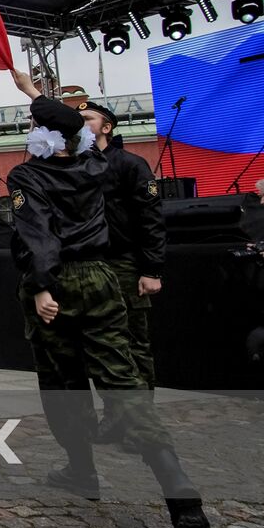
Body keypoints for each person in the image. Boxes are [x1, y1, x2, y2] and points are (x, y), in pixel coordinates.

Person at [6, 69, 208, 528]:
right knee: (122, 379)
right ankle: (177, 486)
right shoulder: (96, 167)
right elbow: (77, 136)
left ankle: (82, 470)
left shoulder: (27, 175)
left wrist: (40, 286)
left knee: (63, 382)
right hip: (101, 277)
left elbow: (37, 233)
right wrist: (36, 94)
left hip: (56, 281)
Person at [79, 100, 166, 438]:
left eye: (88, 119)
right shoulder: (76, 168)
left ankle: (141, 426)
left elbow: (151, 220)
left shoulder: (131, 165)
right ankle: (115, 418)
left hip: (125, 265)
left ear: (106, 127)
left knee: (132, 345)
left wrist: (151, 269)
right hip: (89, 266)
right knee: (100, 348)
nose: (81, 123)